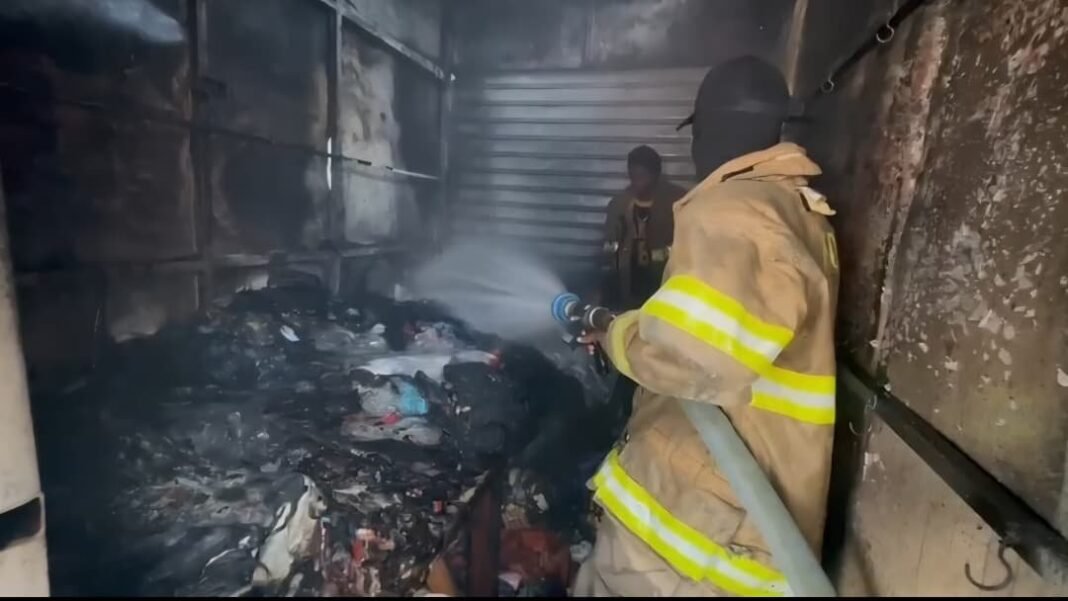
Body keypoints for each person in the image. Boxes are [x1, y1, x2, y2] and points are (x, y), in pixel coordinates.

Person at [574, 56, 840, 597]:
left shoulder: (737, 211)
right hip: (735, 505)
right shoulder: (794, 210)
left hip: (700, 529)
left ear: (708, 131)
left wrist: (619, 333)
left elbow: (689, 357)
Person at [601, 146, 687, 310]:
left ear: (656, 174)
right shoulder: (619, 204)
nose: (637, 182)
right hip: (629, 285)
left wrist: (658, 255)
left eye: (642, 176)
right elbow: (610, 244)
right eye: (633, 176)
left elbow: (687, 244)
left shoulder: (678, 202)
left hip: (665, 284)